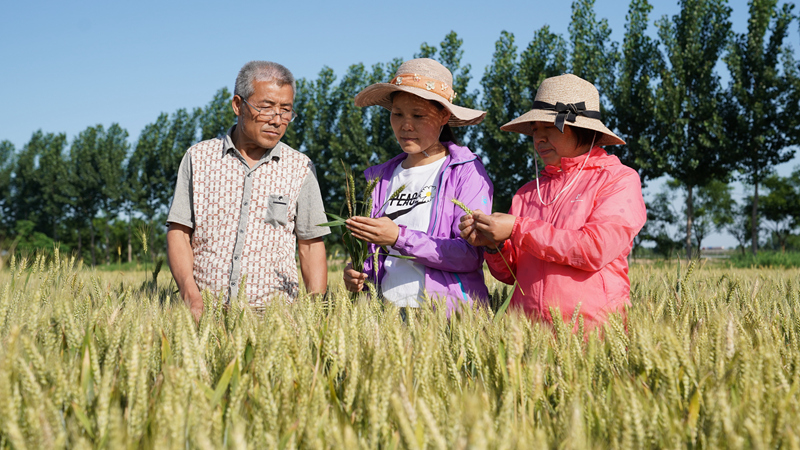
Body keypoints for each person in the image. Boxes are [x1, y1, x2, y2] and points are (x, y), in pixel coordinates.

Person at [459, 74, 646, 332]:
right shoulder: (527, 193)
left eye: (549, 127)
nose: (539, 138)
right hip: (528, 337)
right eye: (535, 130)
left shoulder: (618, 180)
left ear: (584, 129)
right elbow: (510, 275)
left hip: (593, 336)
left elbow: (594, 249)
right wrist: (494, 245)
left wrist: (516, 228)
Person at [166, 61, 330, 321]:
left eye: (286, 111)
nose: (277, 120)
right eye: (266, 108)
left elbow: (311, 244)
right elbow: (179, 231)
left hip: (278, 320)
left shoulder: (301, 167)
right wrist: (191, 297)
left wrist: (315, 315)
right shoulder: (198, 158)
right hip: (205, 313)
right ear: (238, 105)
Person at [342, 58, 493, 311]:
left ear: (444, 115)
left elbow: (471, 254)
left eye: (418, 115)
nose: (405, 125)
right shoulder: (379, 178)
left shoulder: (466, 172)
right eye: (397, 114)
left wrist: (399, 237)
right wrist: (356, 272)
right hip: (384, 317)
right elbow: (373, 254)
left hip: (446, 318)